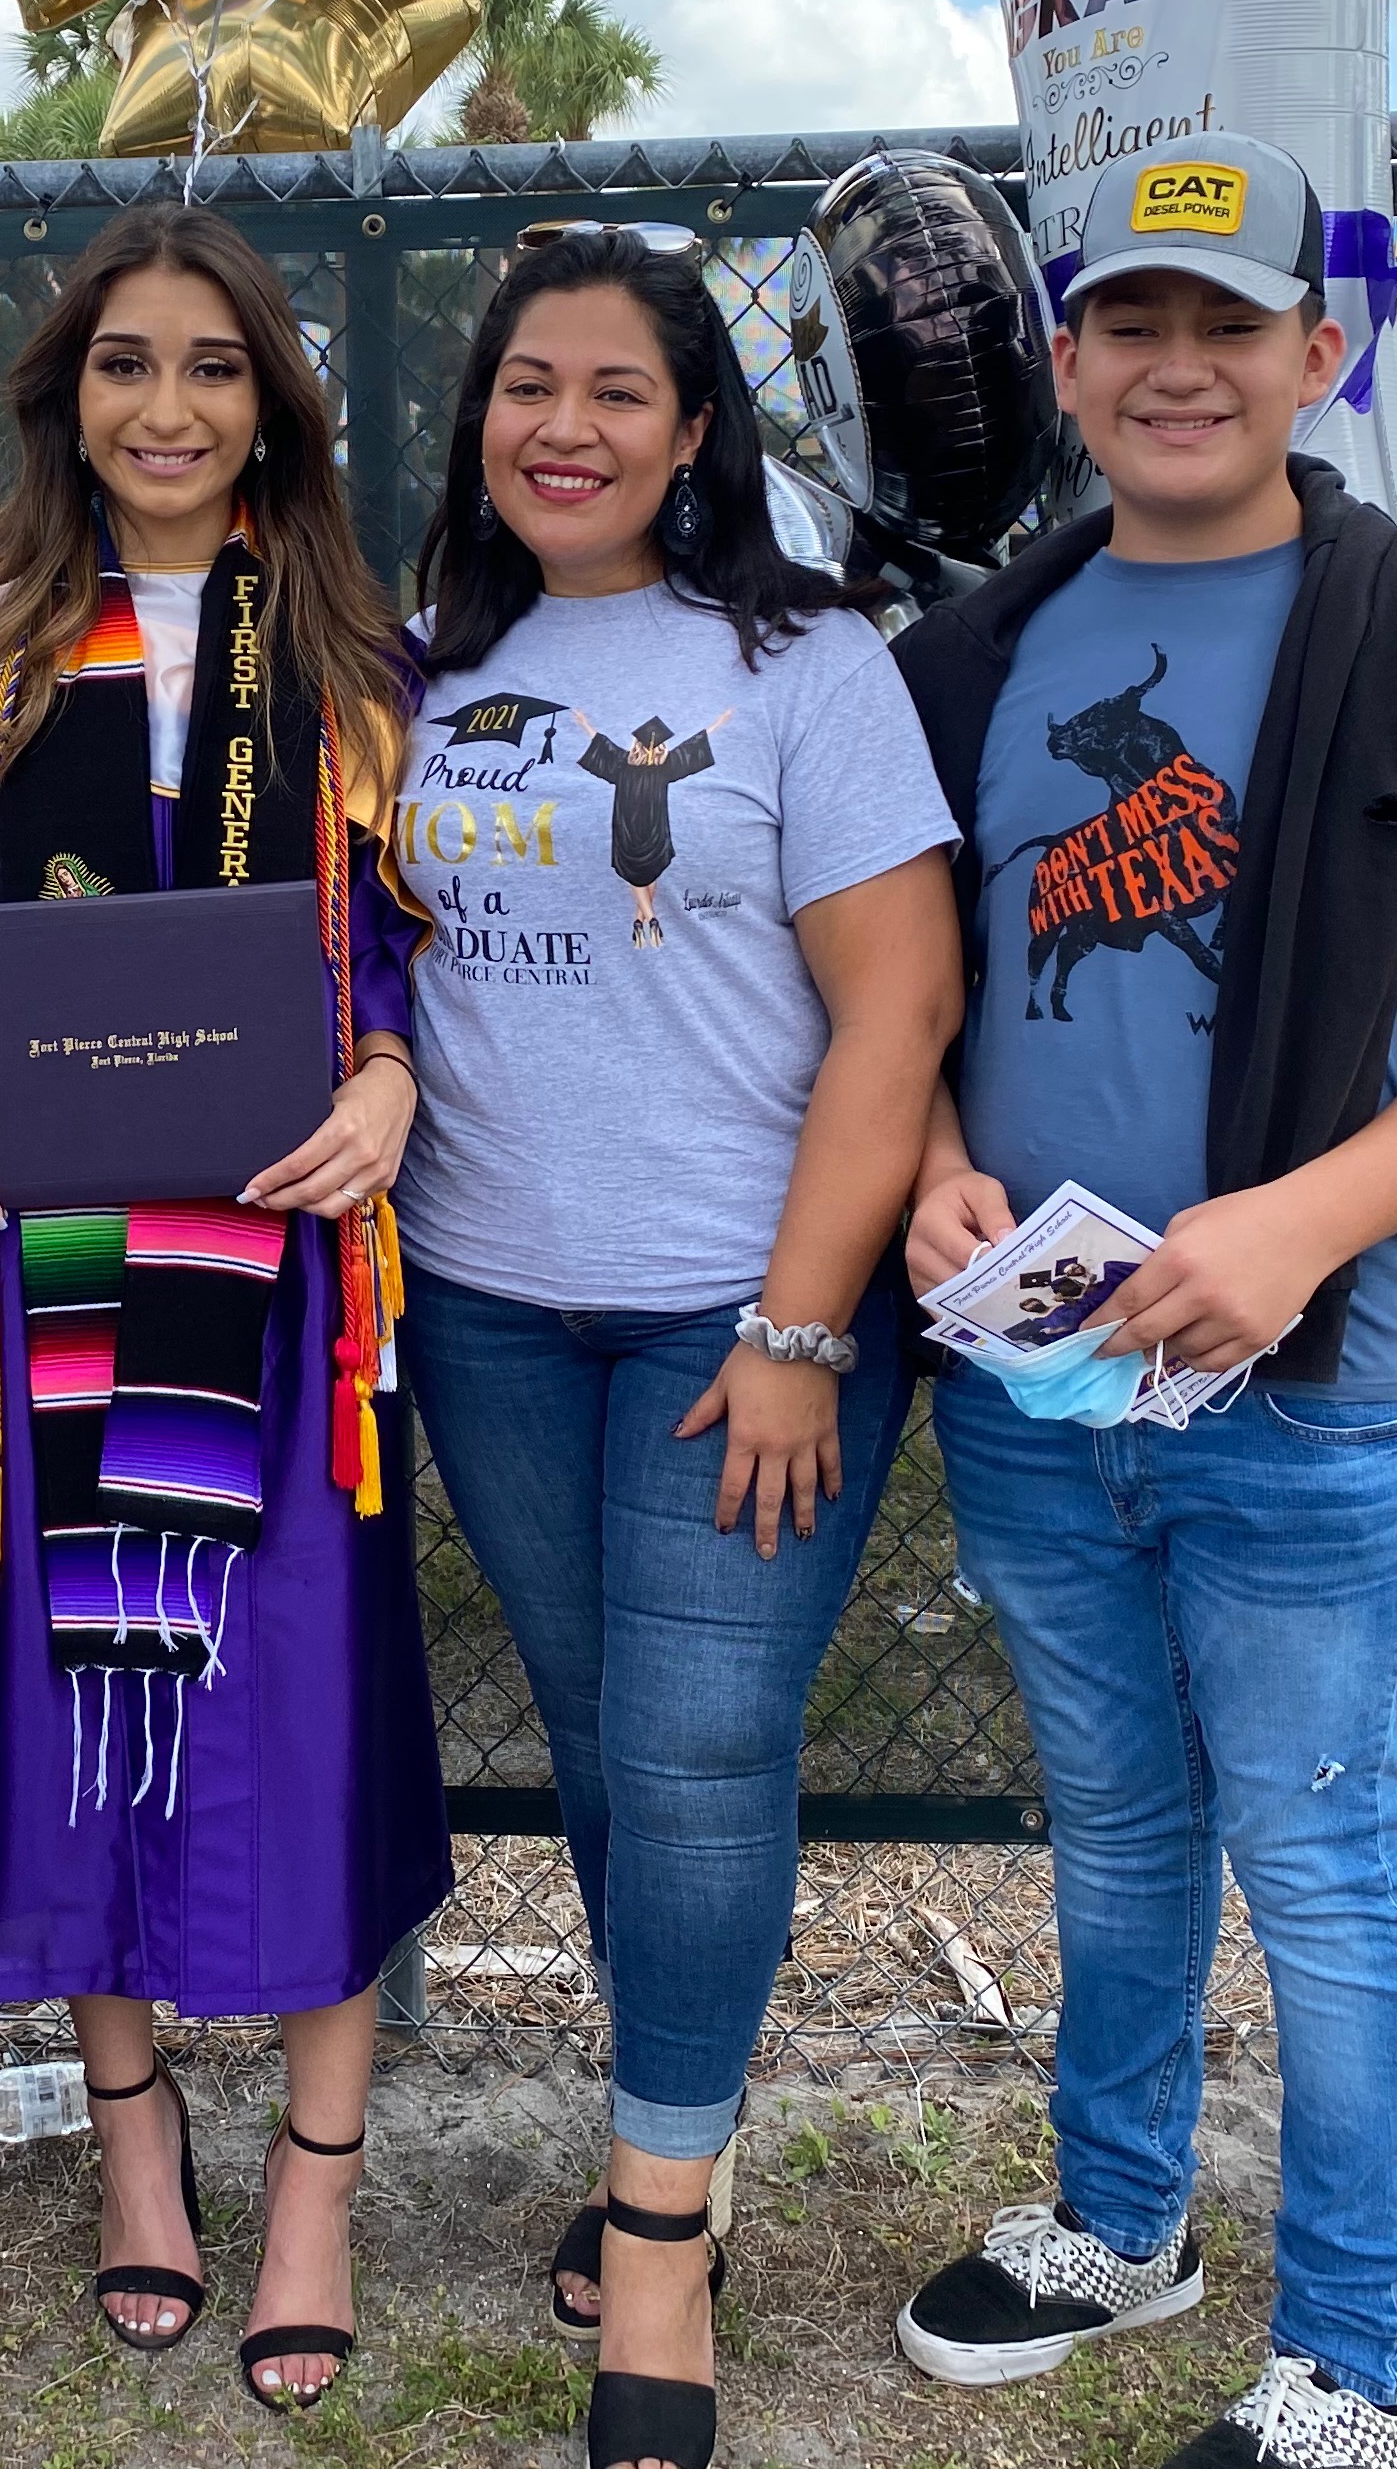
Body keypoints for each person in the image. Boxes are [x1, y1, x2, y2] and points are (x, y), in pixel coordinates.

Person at [888, 136, 1397, 2469]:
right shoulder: (975, 659)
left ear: (1320, 350)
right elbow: (905, 993)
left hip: (1320, 1392)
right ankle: (1124, 2219)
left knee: (1320, 1861)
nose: (1178, 366)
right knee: (1114, 1829)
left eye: (1230, 324)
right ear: (1065, 359)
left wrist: (1297, 1225)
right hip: (1044, 1374)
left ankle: (1372, 2364)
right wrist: (928, 1167)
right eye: (1134, 324)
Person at [0, 202, 450, 2416]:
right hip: (42, 1272)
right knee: (80, 1699)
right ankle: (136, 2150)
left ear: (272, 401)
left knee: (298, 1710)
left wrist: (386, 1072)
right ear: (65, 393)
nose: (168, 406)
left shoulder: (365, 668)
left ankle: (314, 2185)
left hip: (285, 1280)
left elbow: (402, 939)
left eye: (213, 364)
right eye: (126, 362)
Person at [384, 225, 962, 2469]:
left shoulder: (804, 663)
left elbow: (898, 1008)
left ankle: (652, 2239)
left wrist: (804, 1323)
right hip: (491, 1303)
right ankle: (679, 2132)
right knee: (608, 1743)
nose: (567, 427)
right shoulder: (416, 664)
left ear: (697, 425)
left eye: (618, 389)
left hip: (747, 1307)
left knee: (705, 1747)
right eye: (528, 387)